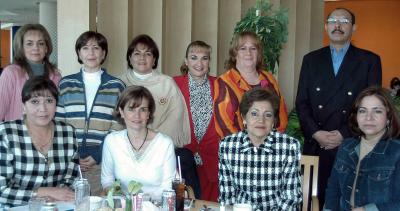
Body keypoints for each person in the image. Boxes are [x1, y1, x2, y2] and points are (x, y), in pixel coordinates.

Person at [295, 7, 382, 207]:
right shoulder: (311, 59)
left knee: (348, 201)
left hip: (352, 145)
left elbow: (371, 105)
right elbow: (302, 102)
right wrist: (316, 132)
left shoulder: (369, 61)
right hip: (316, 145)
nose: (338, 25)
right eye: (333, 21)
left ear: (354, 28)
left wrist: (343, 134)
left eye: (344, 21)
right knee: (313, 202)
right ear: (326, 27)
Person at [56, 31, 125, 195]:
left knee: (98, 203)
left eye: (96, 48)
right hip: (69, 162)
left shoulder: (117, 85)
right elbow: (58, 123)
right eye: (85, 48)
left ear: (103, 53)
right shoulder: (66, 84)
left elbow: (119, 125)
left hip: (101, 161)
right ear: (79, 53)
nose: (91, 53)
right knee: (70, 202)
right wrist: (73, 155)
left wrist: (97, 154)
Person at [0, 76, 79, 207]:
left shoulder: (68, 133)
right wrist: (43, 193)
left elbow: (71, 180)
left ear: (56, 105)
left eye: (49, 101)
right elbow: (2, 191)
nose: (43, 109)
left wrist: (57, 197)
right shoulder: (6, 133)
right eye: (35, 101)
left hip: (57, 206)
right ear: (23, 106)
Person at [219, 87, 302, 210]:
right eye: (254, 113)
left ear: (273, 121)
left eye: (268, 115)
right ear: (243, 118)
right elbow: (227, 196)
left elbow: (291, 198)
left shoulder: (289, 146)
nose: (261, 120)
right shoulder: (227, 145)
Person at [324, 86, 400, 211]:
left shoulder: (396, 152)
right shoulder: (346, 147)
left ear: (388, 118)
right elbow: (333, 190)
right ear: (356, 116)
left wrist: (367, 210)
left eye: (377, 111)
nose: (368, 117)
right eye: (363, 111)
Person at [101, 86, 176, 199]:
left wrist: (141, 204)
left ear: (149, 113)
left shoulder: (165, 144)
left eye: (143, 109)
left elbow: (168, 187)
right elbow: (107, 181)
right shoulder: (111, 141)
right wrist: (121, 198)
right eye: (131, 109)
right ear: (121, 112)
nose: (137, 115)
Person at [213, 31, 288, 140]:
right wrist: (247, 146)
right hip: (240, 150)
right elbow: (224, 124)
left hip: (271, 146)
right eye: (243, 48)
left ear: (258, 53)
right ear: (235, 53)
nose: (248, 53)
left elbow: (281, 113)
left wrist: (273, 141)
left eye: (253, 48)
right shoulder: (224, 82)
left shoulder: (269, 79)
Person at [120, 34, 190, 147]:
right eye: (137, 53)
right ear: (129, 58)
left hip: (159, 145)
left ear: (154, 60)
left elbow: (175, 116)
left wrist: (152, 141)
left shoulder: (167, 83)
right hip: (126, 145)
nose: (142, 57)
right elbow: (115, 118)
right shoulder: (119, 83)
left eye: (148, 54)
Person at [173, 41, 219, 201]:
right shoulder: (174, 84)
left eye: (204, 58)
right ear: (186, 61)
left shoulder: (220, 85)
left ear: (209, 61)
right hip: (184, 160)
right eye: (194, 58)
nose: (199, 63)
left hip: (212, 160)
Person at [0, 23, 61, 122]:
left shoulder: (56, 76)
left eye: (40, 43)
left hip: (47, 134)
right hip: (17, 134)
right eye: (29, 43)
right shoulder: (11, 73)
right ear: (21, 48)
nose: (35, 48)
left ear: (46, 48)